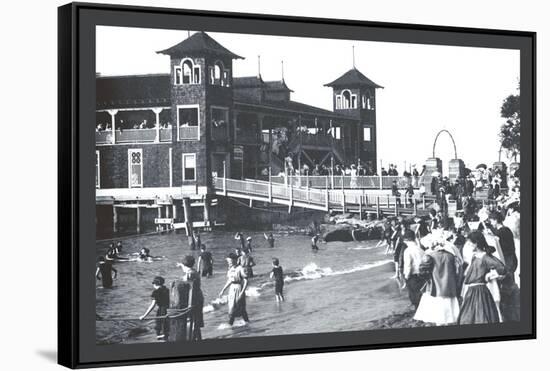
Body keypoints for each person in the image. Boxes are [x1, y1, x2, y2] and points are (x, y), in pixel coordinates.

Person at [457, 231, 507, 324]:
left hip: (480, 291)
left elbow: (502, 268)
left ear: (476, 243)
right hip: (471, 291)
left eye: (470, 243)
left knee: (480, 317)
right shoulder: (475, 256)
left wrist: (489, 276)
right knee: (468, 317)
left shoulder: (485, 257)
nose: (469, 245)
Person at [414, 234, 461, 326]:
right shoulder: (451, 256)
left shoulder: (429, 256)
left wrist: (427, 279)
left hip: (435, 288)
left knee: (437, 314)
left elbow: (422, 272)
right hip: (450, 288)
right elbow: (458, 272)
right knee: (449, 314)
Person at [176, 256, 204, 340]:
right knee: (196, 319)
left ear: (186, 266)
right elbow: (186, 269)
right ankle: (198, 338)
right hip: (198, 296)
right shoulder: (193, 271)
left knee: (194, 319)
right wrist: (181, 265)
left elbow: (183, 280)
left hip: (194, 298)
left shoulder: (190, 274)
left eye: (183, 266)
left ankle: (195, 339)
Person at [219, 253, 249, 326]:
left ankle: (245, 323)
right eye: (228, 262)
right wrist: (223, 290)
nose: (229, 263)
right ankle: (231, 324)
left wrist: (242, 292)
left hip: (239, 288)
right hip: (232, 289)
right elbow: (229, 280)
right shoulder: (230, 269)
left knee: (240, 307)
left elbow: (246, 281)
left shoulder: (240, 268)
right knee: (231, 307)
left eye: (230, 261)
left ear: (235, 260)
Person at [139, 276, 170, 340]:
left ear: (155, 284)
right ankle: (165, 335)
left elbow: (152, 305)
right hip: (168, 309)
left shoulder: (156, 292)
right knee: (165, 325)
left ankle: (161, 337)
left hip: (161, 310)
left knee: (160, 325)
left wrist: (144, 315)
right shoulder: (166, 289)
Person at [402, 229, 425, 309]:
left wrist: (406, 276)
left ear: (406, 240)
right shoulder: (421, 250)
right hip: (422, 274)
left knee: (413, 295)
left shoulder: (407, 251)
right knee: (420, 294)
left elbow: (408, 265)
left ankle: (417, 309)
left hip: (413, 275)